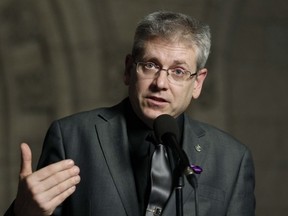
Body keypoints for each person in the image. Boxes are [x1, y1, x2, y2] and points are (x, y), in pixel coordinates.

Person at [4, 11, 255, 216]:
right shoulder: (71, 137)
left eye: (178, 71)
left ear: (198, 83)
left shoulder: (232, 159)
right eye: (151, 65)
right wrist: (22, 214)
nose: (161, 83)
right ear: (128, 69)